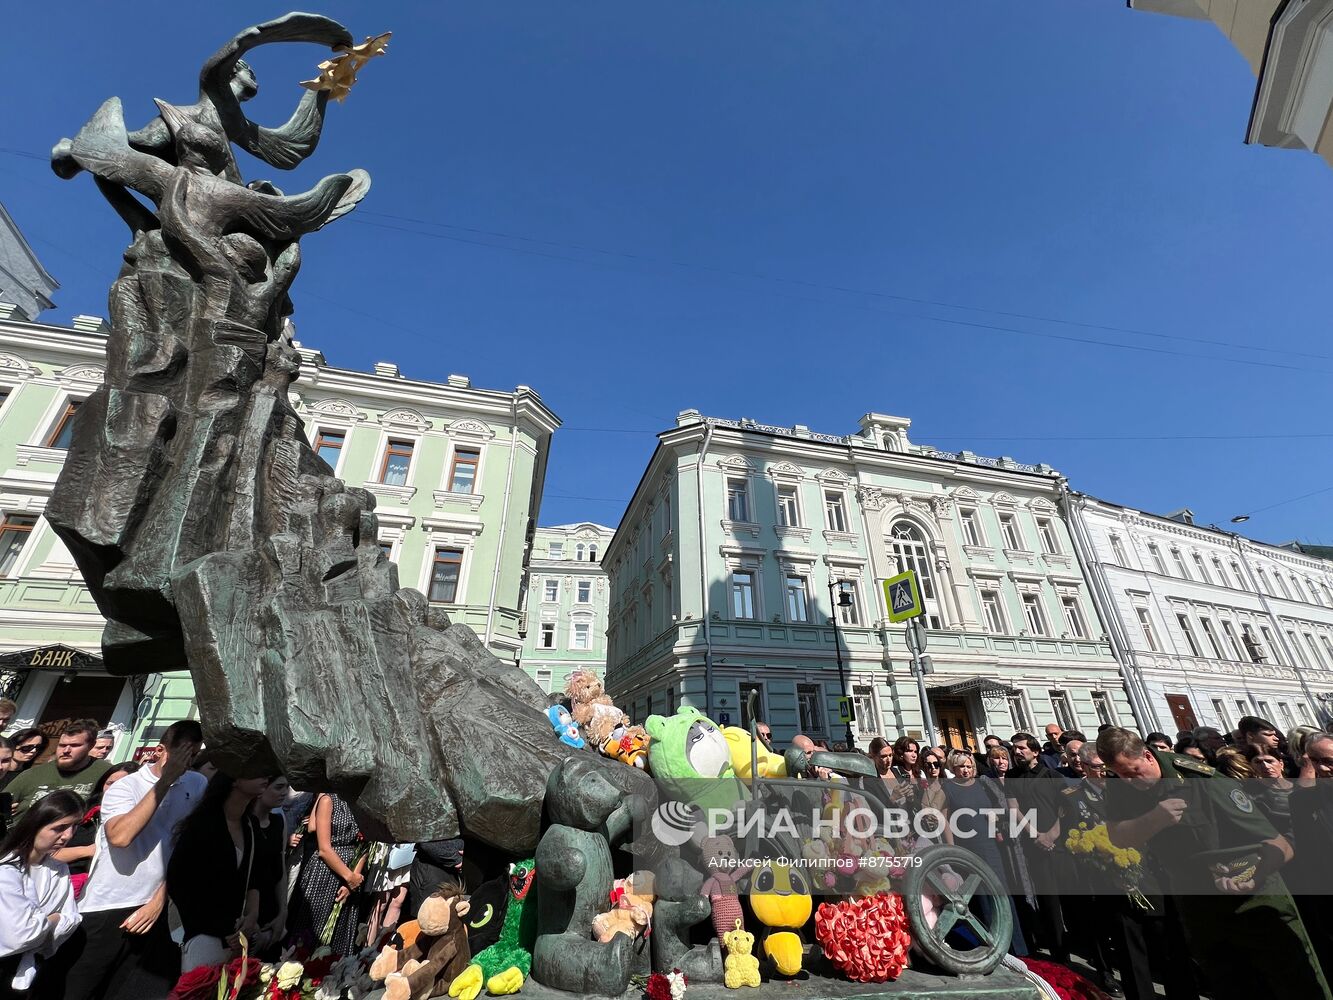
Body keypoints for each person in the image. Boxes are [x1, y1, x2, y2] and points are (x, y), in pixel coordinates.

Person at [1098, 726, 1330, 1000]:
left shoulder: (1201, 779)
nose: (1127, 781)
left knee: (1295, 982)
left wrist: (1253, 875)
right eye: (1119, 774)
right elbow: (1117, 836)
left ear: (1149, 757)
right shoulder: (1122, 787)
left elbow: (1278, 843)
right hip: (1198, 904)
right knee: (1231, 985)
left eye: (1132, 772)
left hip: (1253, 899)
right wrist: (1154, 819)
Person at [38, 720, 204, 1000]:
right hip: (107, 904)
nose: (187, 764)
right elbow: (121, 837)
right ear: (161, 750)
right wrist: (164, 782)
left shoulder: (197, 784)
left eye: (194, 756)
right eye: (181, 755)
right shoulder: (126, 787)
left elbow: (182, 848)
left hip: (152, 906)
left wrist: (159, 898)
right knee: (74, 988)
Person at [167, 773, 267, 970]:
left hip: (237, 934)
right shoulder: (204, 824)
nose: (266, 777)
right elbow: (179, 881)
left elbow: (253, 876)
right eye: (256, 771)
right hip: (201, 933)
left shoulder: (250, 825)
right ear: (234, 778)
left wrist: (252, 915)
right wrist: (218, 928)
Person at [941, 748, 1028, 956]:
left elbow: (997, 808)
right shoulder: (948, 788)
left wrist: (997, 825)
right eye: (961, 766)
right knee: (981, 895)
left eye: (969, 766)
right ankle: (994, 947)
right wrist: (952, 848)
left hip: (991, 844)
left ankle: (1017, 946)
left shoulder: (983, 784)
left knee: (1001, 891)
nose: (966, 770)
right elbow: (945, 820)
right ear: (953, 768)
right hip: (968, 846)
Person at [0, 790, 83, 998]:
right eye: (59, 828)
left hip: (30, 969)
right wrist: (54, 919)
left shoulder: (58, 869)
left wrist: (45, 923)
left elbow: (72, 918)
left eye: (74, 827)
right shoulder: (7, 870)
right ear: (36, 824)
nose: (68, 836)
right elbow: (21, 935)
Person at [1008, 732, 1070, 963]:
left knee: (1071, 900)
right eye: (1015, 748)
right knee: (1048, 901)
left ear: (1035, 751)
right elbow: (1014, 809)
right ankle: (1060, 956)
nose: (1017, 752)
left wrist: (1052, 835)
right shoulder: (1012, 778)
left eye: (1022, 748)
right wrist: (1036, 836)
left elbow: (1065, 809)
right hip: (1034, 846)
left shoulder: (1053, 775)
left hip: (1060, 845)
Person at [285, 793, 364, 954]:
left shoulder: (360, 802)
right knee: (312, 934)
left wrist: (354, 878)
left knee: (339, 935)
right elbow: (324, 849)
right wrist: (349, 877)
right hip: (325, 873)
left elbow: (365, 843)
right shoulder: (328, 800)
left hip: (351, 873)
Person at [53, 763, 139, 900]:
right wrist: (88, 850)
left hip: (109, 894)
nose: (113, 789)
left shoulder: (139, 822)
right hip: (64, 884)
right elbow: (47, 854)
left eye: (122, 784)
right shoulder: (82, 814)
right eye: (109, 783)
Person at [8, 723, 111, 824]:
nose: (66, 750)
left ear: (91, 745)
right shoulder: (31, 774)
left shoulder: (106, 772)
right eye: (62, 745)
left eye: (75, 745)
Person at [250, 775, 290, 954]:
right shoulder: (245, 823)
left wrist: (283, 912)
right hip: (249, 913)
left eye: (286, 787)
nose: (284, 793)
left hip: (271, 908)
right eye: (278, 787)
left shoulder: (278, 822)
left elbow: (280, 870)